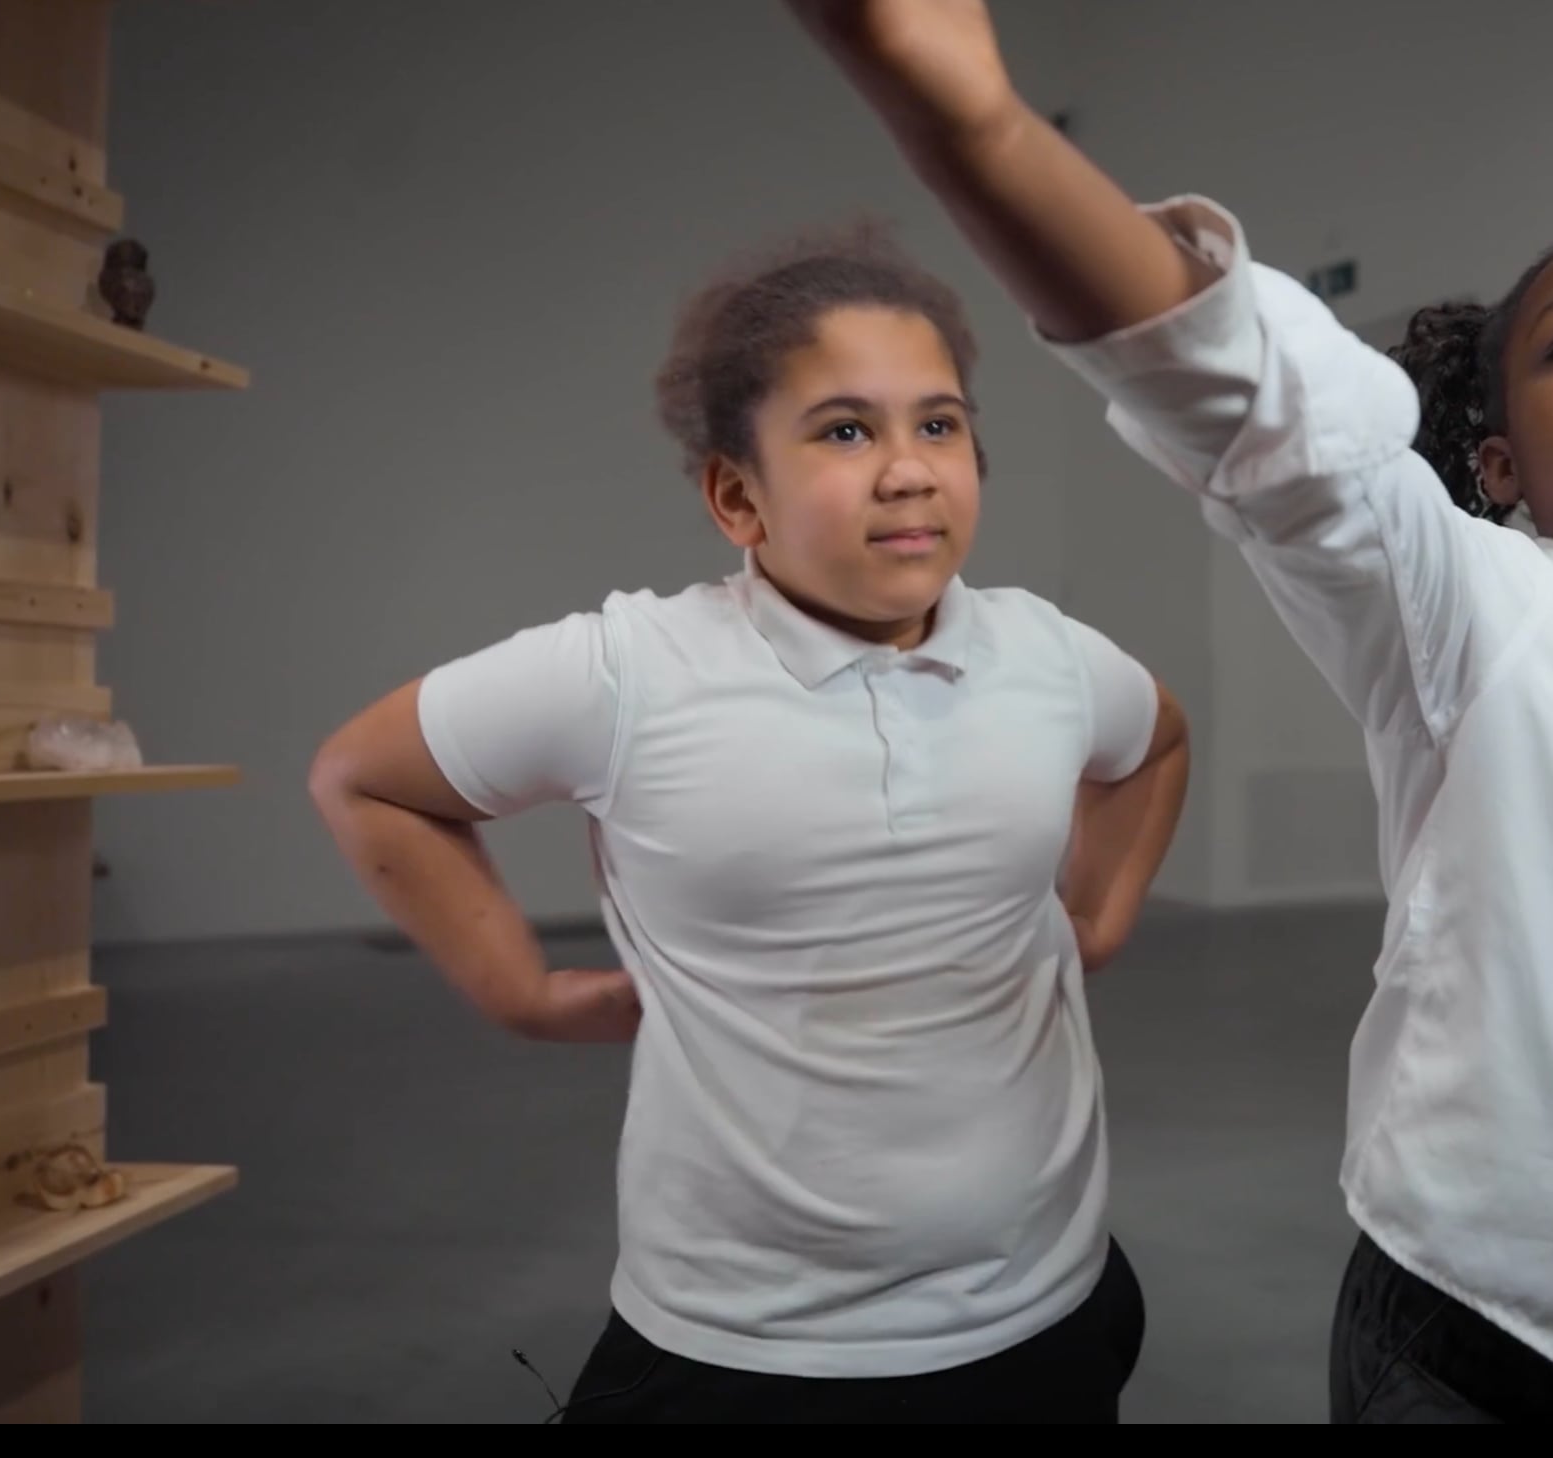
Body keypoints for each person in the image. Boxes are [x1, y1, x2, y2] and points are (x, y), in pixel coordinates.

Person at [784, 0, 1553, 1425]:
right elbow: (1261, 410)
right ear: (1499, 463)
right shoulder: (1472, 609)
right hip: (1492, 1362)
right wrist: (981, 125)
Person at [307, 217, 1191, 1423]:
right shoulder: (630, 672)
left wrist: (1096, 916)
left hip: (1041, 1312)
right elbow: (365, 775)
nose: (908, 468)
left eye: (938, 423)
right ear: (737, 495)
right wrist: (517, 989)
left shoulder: (1046, 654)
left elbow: (1157, 744)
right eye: (844, 430)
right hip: (747, 1349)